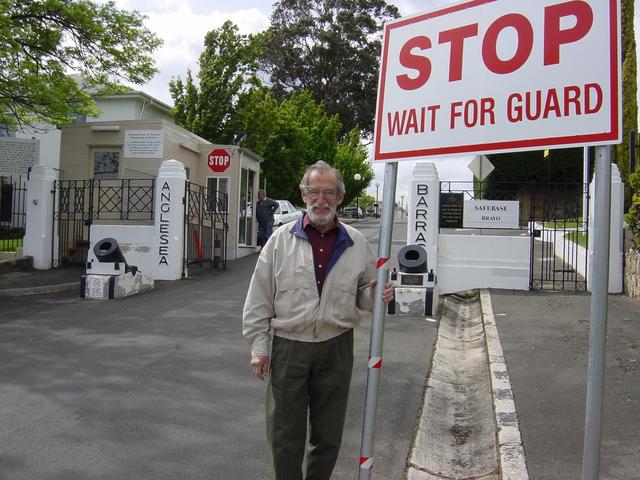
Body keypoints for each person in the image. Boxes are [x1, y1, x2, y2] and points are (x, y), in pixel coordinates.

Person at [242, 161, 394, 480]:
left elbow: (363, 298)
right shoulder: (280, 241)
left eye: (328, 192)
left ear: (340, 197)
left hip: (335, 348)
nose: (320, 199)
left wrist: (377, 294)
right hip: (288, 348)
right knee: (285, 436)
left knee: (328, 437)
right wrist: (259, 347)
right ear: (303, 194)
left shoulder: (356, 244)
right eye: (314, 191)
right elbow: (259, 297)